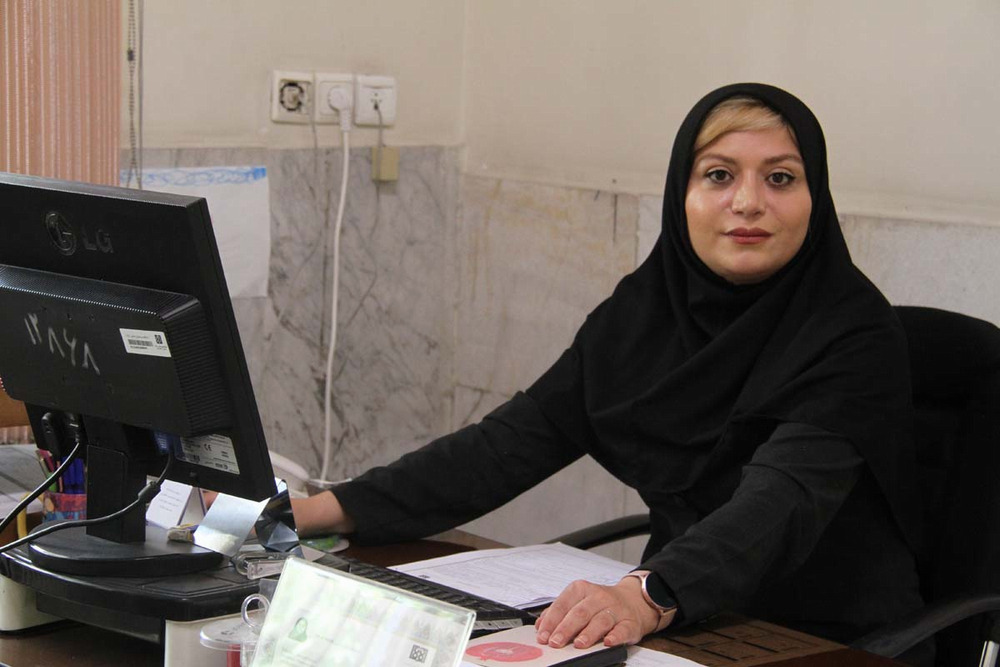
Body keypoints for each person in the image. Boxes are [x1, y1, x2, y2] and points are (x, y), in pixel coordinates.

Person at [292, 83, 926, 657]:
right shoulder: (642, 313)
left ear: (816, 198)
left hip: (824, 636)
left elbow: (781, 501)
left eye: (781, 178)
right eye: (718, 174)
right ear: (681, 195)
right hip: (683, 621)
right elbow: (507, 446)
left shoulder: (853, 334)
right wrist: (322, 509)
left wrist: (646, 594)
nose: (748, 202)